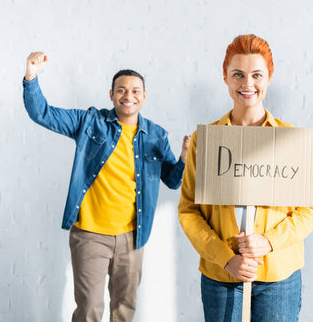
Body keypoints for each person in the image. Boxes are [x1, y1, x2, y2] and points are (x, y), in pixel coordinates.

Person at [22, 52, 190, 322]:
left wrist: (182, 158)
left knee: (124, 310)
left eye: (135, 91)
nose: (128, 96)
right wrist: (31, 77)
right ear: (111, 94)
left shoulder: (156, 135)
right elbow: (43, 113)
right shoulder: (90, 122)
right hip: (90, 235)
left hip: (132, 238)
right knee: (89, 309)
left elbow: (172, 180)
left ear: (144, 97)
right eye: (121, 90)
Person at [178, 34, 313, 322]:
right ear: (225, 77)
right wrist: (226, 258)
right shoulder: (202, 141)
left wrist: (268, 242)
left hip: (279, 276)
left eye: (257, 75)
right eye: (238, 75)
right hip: (222, 275)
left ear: (269, 76)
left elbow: (311, 209)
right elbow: (188, 211)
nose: (247, 84)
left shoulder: (289, 140)